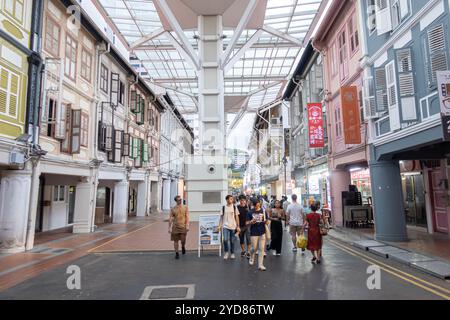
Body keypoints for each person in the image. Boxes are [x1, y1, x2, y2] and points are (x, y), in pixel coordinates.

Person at [246, 198, 270, 271]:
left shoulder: (263, 211)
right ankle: (251, 255)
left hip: (262, 231)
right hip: (254, 232)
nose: (258, 207)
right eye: (256, 206)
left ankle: (260, 265)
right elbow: (246, 223)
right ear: (253, 205)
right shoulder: (250, 212)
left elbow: (267, 221)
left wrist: (266, 222)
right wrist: (251, 221)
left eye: (259, 205)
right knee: (254, 248)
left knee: (262, 249)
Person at [219, 195, 240, 260]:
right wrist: (219, 225)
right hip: (225, 226)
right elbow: (221, 217)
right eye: (230, 199)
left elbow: (237, 217)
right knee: (225, 240)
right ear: (227, 200)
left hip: (233, 226)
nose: (232, 200)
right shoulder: (223, 207)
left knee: (232, 240)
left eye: (232, 199)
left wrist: (238, 226)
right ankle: (226, 252)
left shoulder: (234, 207)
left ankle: (232, 253)